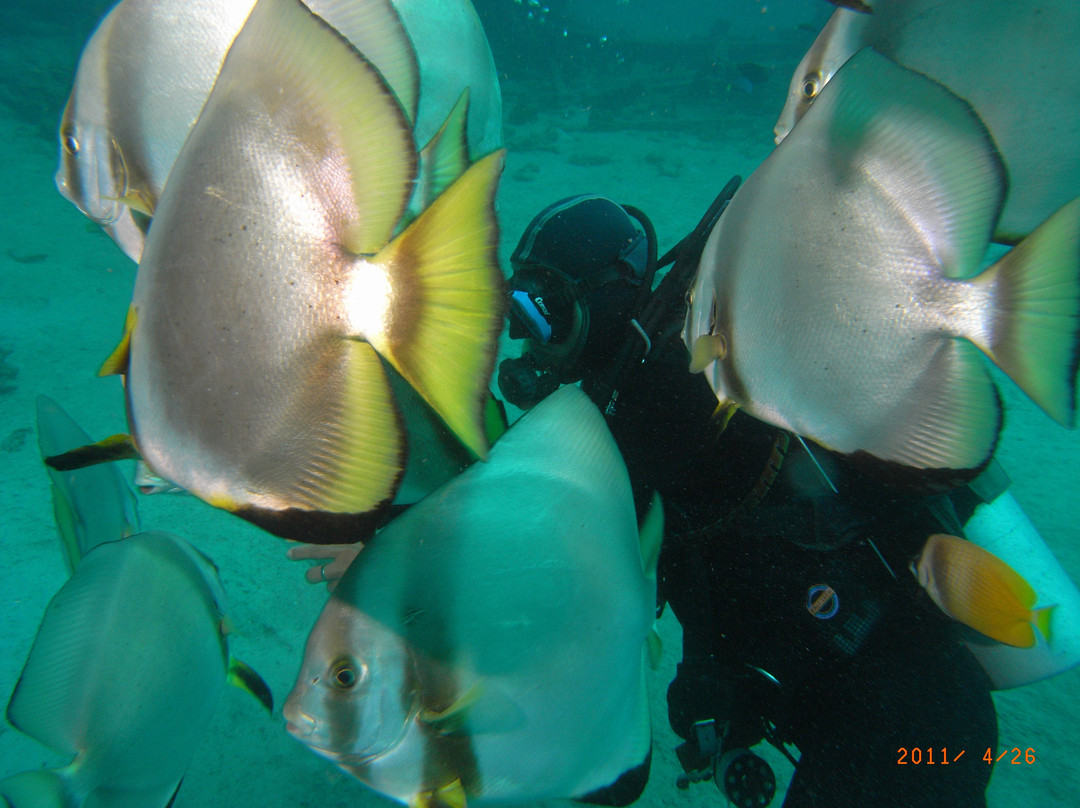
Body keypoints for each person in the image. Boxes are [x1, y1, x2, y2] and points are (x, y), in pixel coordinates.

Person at [495, 191, 999, 808]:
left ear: (608, 300)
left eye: (542, 313)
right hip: (898, 710)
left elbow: (568, 582)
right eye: (514, 308)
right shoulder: (655, 385)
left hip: (903, 721)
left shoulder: (672, 397)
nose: (521, 336)